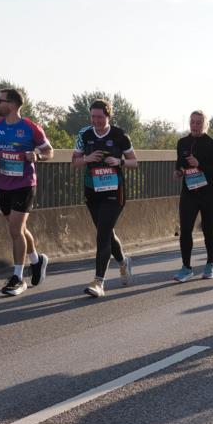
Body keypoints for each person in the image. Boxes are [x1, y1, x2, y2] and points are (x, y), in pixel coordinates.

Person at [0, 88, 53, 296]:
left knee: (15, 230)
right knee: (20, 230)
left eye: (0, 101)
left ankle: (17, 277)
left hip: (24, 184)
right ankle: (37, 260)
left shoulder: (31, 128)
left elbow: (49, 151)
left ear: (12, 104)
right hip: (3, 184)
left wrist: (37, 156)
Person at [72, 99, 138, 298]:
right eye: (93, 117)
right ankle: (123, 261)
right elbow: (74, 161)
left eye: (100, 117)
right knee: (106, 232)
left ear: (108, 116)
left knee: (102, 234)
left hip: (114, 191)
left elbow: (135, 162)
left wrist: (120, 161)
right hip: (93, 190)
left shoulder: (120, 135)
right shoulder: (85, 134)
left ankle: (98, 281)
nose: (96, 121)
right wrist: (86, 159)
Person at [173, 110, 213, 282]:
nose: (195, 125)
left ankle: (211, 263)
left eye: (198, 122)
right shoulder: (182, 142)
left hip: (210, 193)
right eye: (192, 122)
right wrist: (178, 171)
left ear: (205, 124)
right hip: (190, 192)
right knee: (185, 230)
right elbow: (179, 163)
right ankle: (186, 267)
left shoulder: (211, 143)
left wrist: (200, 164)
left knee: (208, 230)